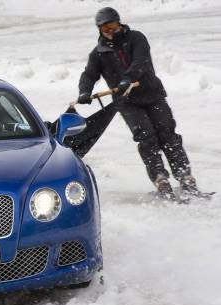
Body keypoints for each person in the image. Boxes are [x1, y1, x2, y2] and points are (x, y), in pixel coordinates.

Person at [77, 7, 199, 199]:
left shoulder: (136, 38)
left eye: (112, 25)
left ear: (119, 22)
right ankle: (160, 179)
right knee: (146, 137)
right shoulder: (99, 53)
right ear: (99, 29)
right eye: (103, 27)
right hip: (127, 103)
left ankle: (185, 176)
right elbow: (89, 74)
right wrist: (84, 91)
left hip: (152, 95)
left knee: (167, 133)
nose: (109, 30)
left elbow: (140, 61)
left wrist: (128, 78)